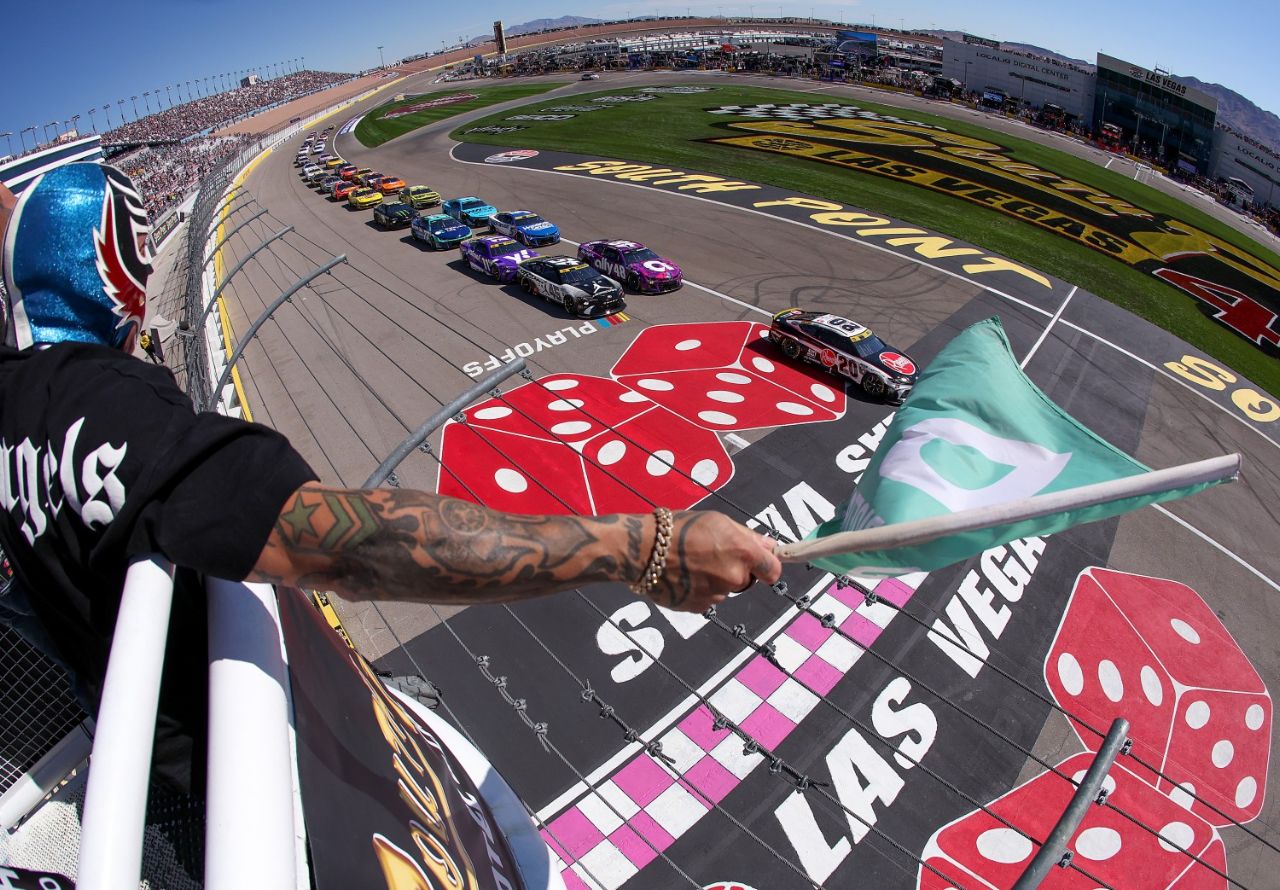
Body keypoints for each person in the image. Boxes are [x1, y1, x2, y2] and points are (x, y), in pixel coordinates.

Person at [0, 163, 781, 791]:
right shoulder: (102, 401)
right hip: (246, 780)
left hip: (135, 760)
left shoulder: (12, 407)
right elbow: (348, 544)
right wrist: (641, 545)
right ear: (118, 272)